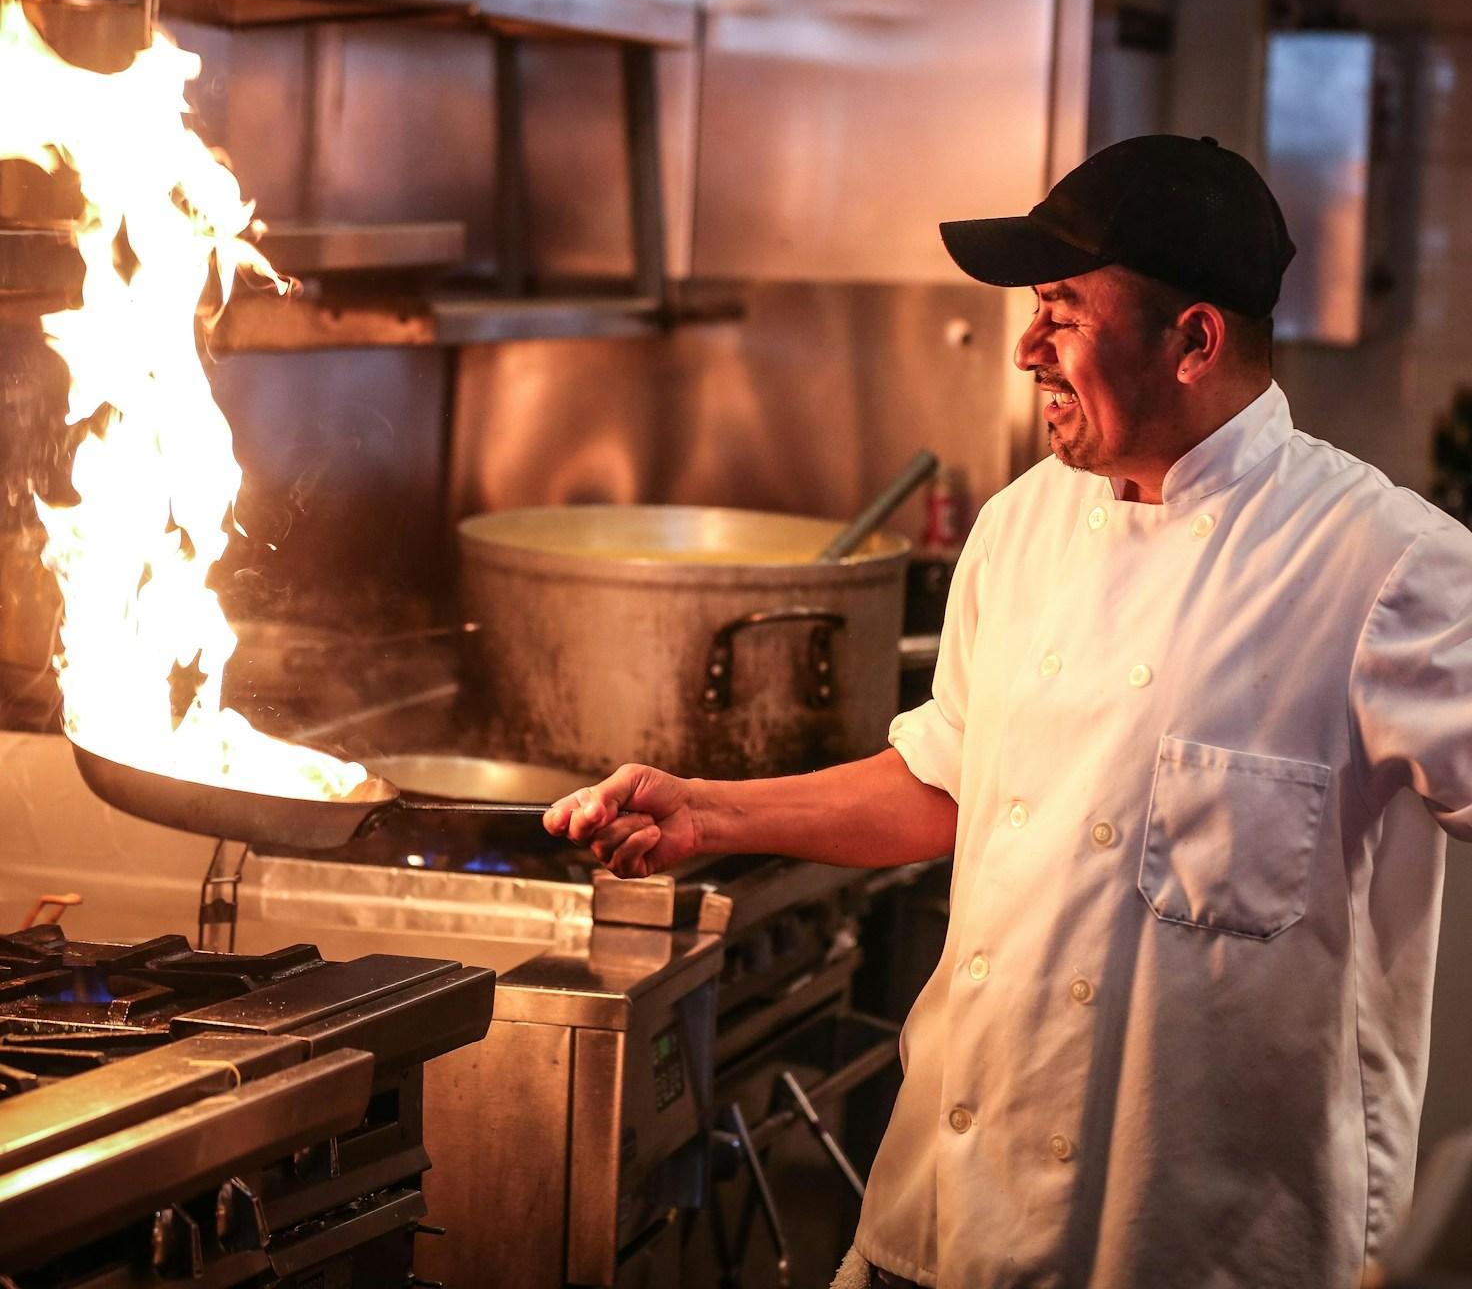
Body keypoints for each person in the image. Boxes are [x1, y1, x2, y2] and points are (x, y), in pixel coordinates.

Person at [544, 134, 1472, 1289]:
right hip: (941, 1218)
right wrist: (709, 813)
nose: (1026, 347)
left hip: (1192, 1243)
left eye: (1064, 312)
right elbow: (950, 780)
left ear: (1192, 340)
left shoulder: (1380, 566)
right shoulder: (1022, 522)